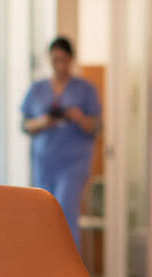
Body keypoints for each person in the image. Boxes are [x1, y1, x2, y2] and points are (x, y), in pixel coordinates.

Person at [21, 36, 101, 252]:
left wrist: (78, 116)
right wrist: (44, 121)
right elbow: (25, 125)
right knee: (44, 214)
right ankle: (46, 267)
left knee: (66, 212)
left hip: (74, 161)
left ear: (71, 60)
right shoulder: (37, 89)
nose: (60, 65)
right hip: (44, 160)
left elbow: (94, 127)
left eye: (64, 60)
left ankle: (71, 274)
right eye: (55, 60)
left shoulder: (85, 89)